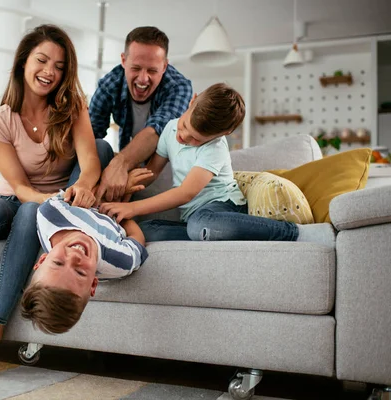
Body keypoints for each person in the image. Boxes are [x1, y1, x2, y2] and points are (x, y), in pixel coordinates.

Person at [0, 24, 114, 378]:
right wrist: (51, 201)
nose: (49, 72)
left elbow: (90, 163)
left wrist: (84, 188)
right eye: (42, 61)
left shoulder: (72, 108)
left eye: (59, 67)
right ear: (23, 62)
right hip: (19, 196)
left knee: (31, 213)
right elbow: (19, 186)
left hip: (47, 206)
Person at [99, 83, 335, 247]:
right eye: (184, 126)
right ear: (192, 102)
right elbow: (152, 171)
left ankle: (294, 233)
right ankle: (205, 234)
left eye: (195, 139)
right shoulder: (170, 129)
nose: (183, 137)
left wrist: (132, 209)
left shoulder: (215, 148)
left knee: (200, 224)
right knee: (149, 230)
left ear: (223, 133)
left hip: (223, 207)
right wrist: (128, 183)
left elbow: (186, 192)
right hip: (194, 218)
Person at [89, 26, 193, 203]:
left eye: (152, 70)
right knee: (98, 146)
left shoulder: (179, 87)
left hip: (168, 173)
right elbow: (90, 134)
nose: (143, 79)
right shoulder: (109, 85)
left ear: (165, 66)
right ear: (123, 60)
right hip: (128, 170)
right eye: (136, 68)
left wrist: (119, 164)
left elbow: (157, 130)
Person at [20, 192, 148, 334]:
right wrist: (119, 211)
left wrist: (97, 192)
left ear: (43, 259)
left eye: (58, 263)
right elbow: (137, 238)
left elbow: (75, 191)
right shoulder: (120, 261)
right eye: (80, 272)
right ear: (93, 283)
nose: (74, 257)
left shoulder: (50, 215)